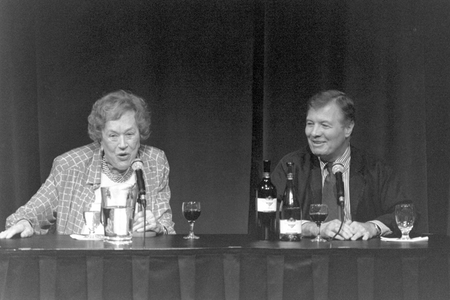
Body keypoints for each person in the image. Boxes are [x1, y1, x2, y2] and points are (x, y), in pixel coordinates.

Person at [0, 90, 175, 239]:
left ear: (140, 133)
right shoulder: (70, 166)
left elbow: (166, 225)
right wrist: (25, 222)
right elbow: (31, 212)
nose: (123, 144)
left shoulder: (155, 162)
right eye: (113, 136)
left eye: (129, 134)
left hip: (136, 265)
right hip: (82, 266)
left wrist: (158, 227)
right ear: (100, 137)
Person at [271, 90, 410, 240]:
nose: (314, 133)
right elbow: (269, 215)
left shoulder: (374, 168)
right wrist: (313, 228)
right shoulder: (292, 166)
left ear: (348, 128)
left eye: (324, 125)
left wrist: (372, 227)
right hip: (304, 260)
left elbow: (405, 211)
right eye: (310, 124)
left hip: (360, 259)